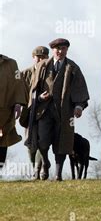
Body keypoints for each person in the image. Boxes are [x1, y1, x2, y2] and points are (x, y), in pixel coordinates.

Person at [30, 38, 89, 181]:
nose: (60, 51)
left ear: (67, 50)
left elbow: (81, 90)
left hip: (65, 112)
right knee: (42, 141)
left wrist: (79, 107)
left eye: (63, 48)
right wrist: (39, 98)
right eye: (57, 49)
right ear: (52, 50)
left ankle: (58, 174)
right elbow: (33, 89)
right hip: (44, 112)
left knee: (62, 143)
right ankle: (45, 161)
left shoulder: (73, 68)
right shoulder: (43, 66)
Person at [20, 46, 49, 179]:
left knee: (43, 141)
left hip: (45, 112)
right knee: (30, 143)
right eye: (38, 57)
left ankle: (41, 168)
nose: (41, 59)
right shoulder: (25, 73)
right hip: (29, 112)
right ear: (33, 58)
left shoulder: (50, 73)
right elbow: (18, 92)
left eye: (43, 57)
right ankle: (34, 168)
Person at [0, 54, 27, 175]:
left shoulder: (11, 64)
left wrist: (18, 103)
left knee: (2, 141)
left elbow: (18, 84)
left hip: (5, 112)